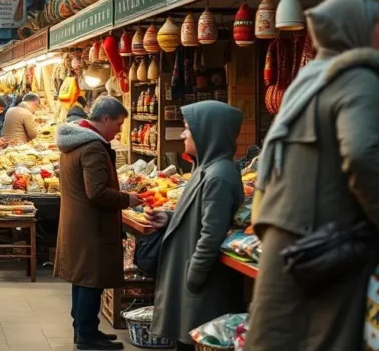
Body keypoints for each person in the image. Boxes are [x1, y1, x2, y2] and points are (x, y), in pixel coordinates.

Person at [248, 0, 379, 351]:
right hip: (330, 241)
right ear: (356, 30)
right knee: (329, 338)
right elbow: (361, 155)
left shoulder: (309, 79)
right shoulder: (358, 78)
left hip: (284, 233)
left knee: (276, 338)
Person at [148, 101, 246, 351]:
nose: (183, 134)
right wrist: (170, 218)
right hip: (192, 278)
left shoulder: (219, 175)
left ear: (206, 132)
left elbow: (211, 233)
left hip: (202, 284)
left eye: (187, 129)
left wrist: (194, 275)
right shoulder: (204, 168)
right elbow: (201, 215)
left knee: (194, 341)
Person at [54, 97, 138, 351]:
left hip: (80, 223)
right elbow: (97, 192)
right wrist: (127, 199)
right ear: (105, 119)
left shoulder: (75, 142)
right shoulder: (92, 147)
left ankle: (84, 330)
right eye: (119, 124)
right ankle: (87, 337)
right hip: (92, 226)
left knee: (82, 279)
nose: (119, 130)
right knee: (91, 279)